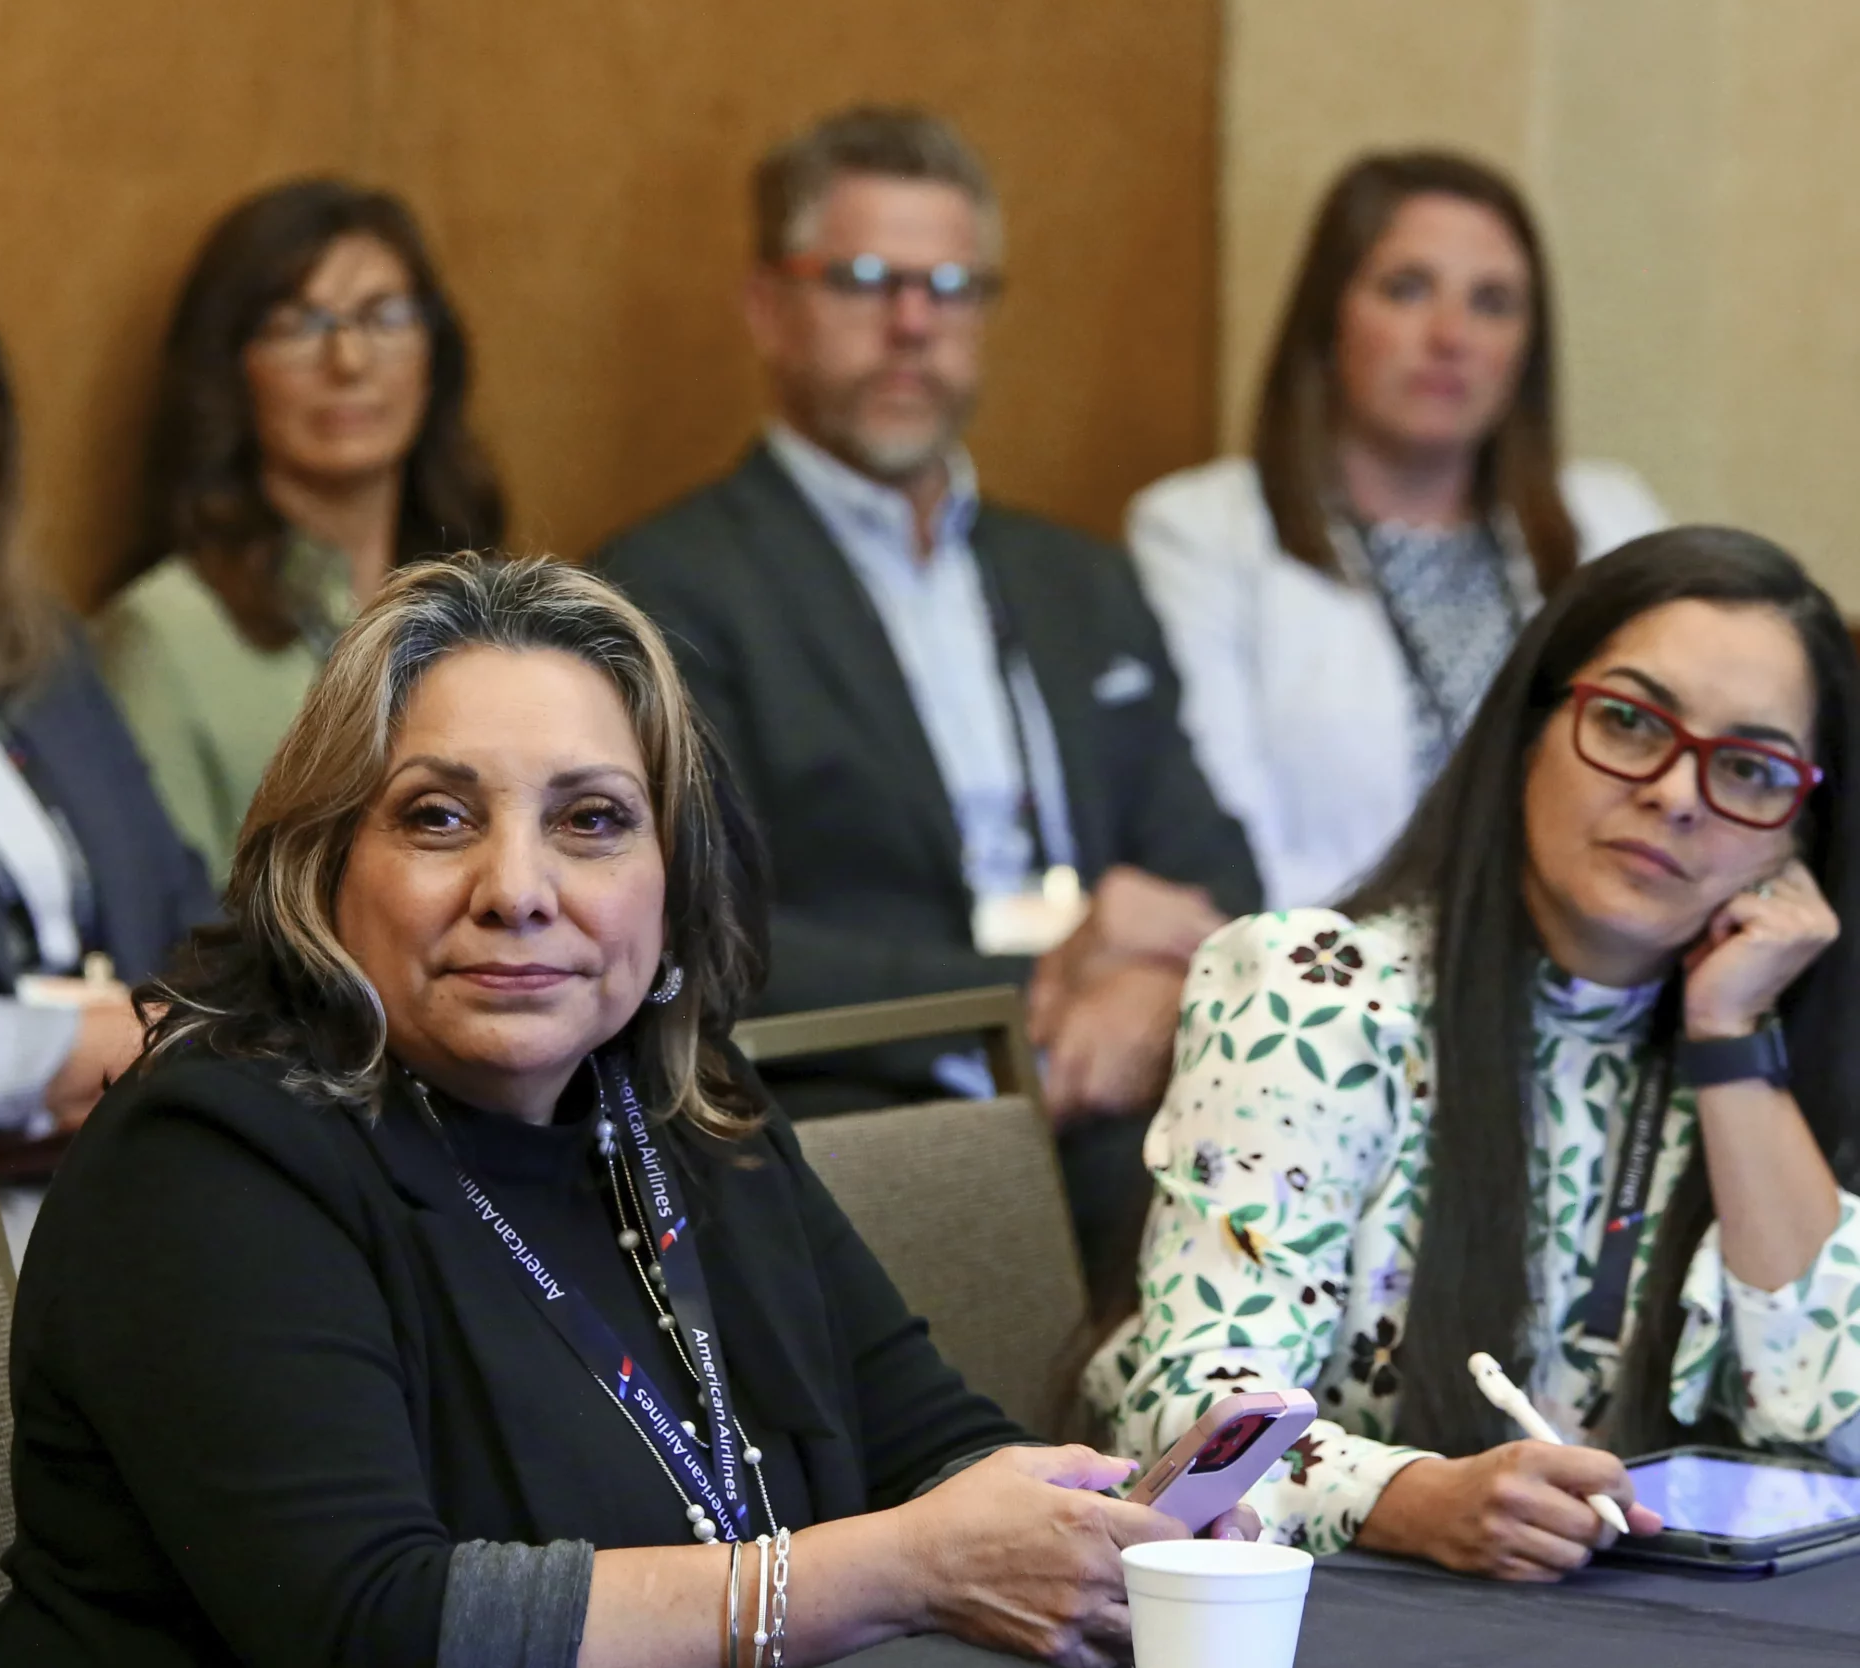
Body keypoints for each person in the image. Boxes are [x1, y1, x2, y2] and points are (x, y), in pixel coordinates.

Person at [0, 554, 1246, 1668]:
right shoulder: (211, 1156)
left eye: (592, 821)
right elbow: (381, 1635)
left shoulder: (686, 1108)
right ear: (324, 867)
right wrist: (898, 1571)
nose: (518, 891)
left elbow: (920, 1441)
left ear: (674, 877)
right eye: (438, 818)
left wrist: (1099, 1518)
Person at [1089, 526, 1860, 1580]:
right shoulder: (1311, 988)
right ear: (1526, 729)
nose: (1677, 793)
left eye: (1748, 767)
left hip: (1633, 1638)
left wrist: (1731, 1045)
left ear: (1796, 837)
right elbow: (1188, 1417)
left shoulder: (1766, 1050)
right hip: (1318, 1628)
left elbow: (1836, 1429)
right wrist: (1415, 1497)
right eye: (1629, 722)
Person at [598, 107, 1262, 1285]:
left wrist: (1155, 985)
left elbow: (1214, 865)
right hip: (870, 1097)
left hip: (1126, 1082)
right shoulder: (669, 588)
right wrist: (1040, 989)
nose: (912, 325)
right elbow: (701, 928)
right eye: (864, 281)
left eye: (951, 287)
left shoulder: (1078, 581)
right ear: (768, 307)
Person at [1130, 149, 1668, 911]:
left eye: (1492, 303)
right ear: (1329, 318)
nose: (1452, 336)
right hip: (1328, 978)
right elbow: (1224, 839)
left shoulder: (1612, 521)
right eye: (1407, 289)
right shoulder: (1202, 534)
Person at [0, 218, 210, 1255]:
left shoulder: (43, 660)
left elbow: (189, 910)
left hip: (128, 1193)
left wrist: (167, 1044)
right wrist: (50, 1053)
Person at [98, 178, 505, 887]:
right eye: (297, 326)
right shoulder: (165, 631)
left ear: (433, 355)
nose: (348, 362)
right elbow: (170, 927)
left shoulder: (487, 598)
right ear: (229, 371)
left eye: (383, 317)